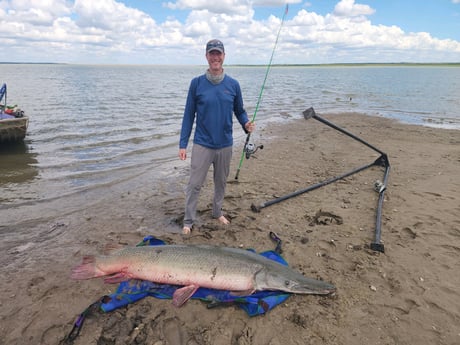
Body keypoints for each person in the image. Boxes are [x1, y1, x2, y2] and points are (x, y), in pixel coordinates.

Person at [179, 39, 255, 235]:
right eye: (211, 54)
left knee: (221, 182)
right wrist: (182, 144)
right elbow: (188, 115)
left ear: (224, 56)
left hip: (225, 145)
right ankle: (188, 221)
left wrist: (246, 124)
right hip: (202, 144)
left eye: (218, 54)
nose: (215, 57)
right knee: (195, 184)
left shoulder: (233, 85)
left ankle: (217, 211)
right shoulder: (196, 84)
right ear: (206, 56)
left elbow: (240, 111)